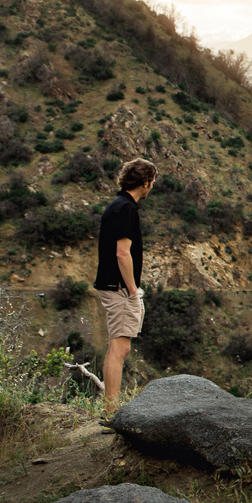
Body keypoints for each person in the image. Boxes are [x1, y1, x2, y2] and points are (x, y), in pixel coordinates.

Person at [94, 158, 156, 414]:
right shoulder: (126, 209)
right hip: (119, 286)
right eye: (152, 182)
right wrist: (132, 290)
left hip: (112, 284)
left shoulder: (117, 205)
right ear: (145, 182)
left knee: (116, 347)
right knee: (120, 349)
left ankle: (110, 408)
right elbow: (122, 253)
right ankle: (111, 412)